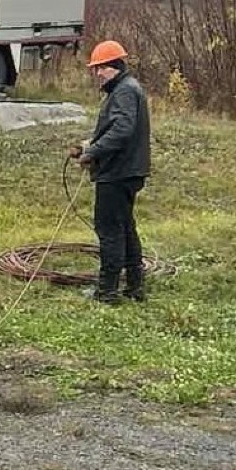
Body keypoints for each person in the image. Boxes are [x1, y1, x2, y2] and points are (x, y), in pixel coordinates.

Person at [69, 40, 151, 303]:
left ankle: (107, 291)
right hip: (128, 171)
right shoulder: (127, 88)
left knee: (110, 231)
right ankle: (135, 287)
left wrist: (92, 153)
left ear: (113, 66)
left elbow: (121, 131)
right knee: (125, 227)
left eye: (100, 68)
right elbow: (116, 129)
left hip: (117, 173)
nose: (97, 74)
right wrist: (86, 144)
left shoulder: (124, 92)